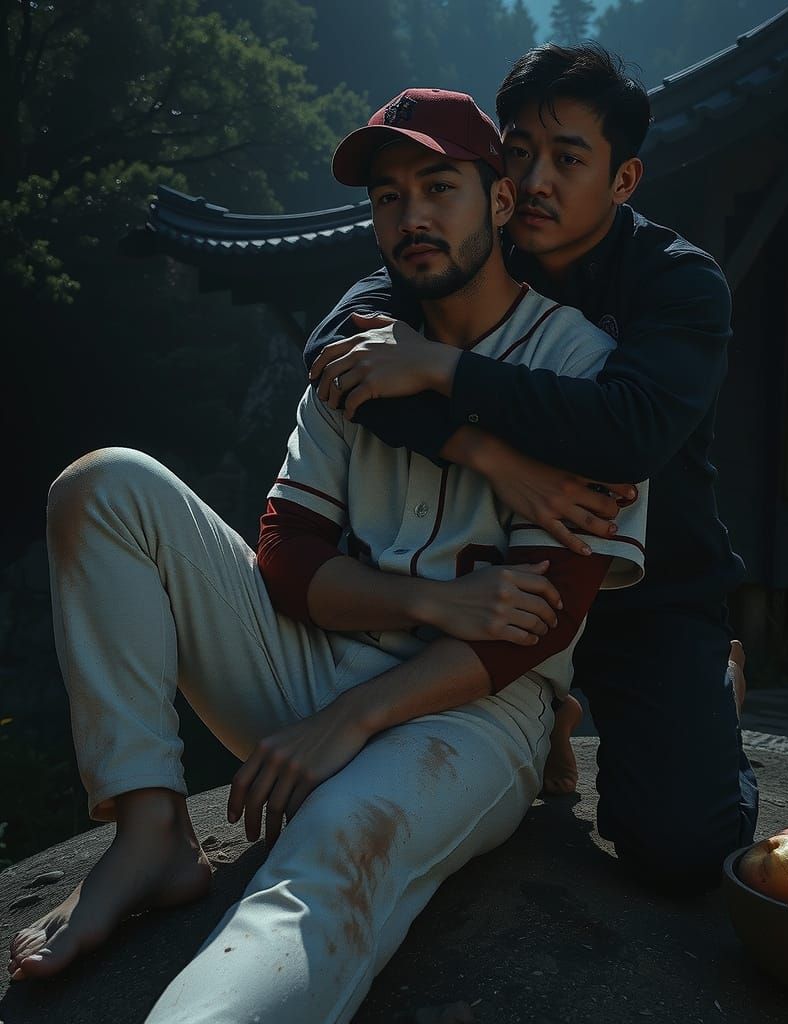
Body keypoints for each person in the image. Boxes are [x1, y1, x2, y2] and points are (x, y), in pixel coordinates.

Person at [8, 89, 648, 1023]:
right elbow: (286, 559)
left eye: (440, 186)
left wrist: (353, 717)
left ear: (501, 201)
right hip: (308, 667)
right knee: (104, 486)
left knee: (333, 849)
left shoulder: (584, 367)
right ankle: (150, 833)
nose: (412, 215)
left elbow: (533, 622)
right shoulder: (358, 354)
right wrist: (428, 601)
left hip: (472, 713)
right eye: (388, 197)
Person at [306, 43, 758, 892]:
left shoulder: (678, 283)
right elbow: (336, 343)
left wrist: (444, 371)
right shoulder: (472, 238)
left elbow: (631, 431)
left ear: (624, 180)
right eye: (520, 151)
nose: (538, 179)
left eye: (570, 158)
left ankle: (717, 690)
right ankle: (554, 708)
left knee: (681, 850)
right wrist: (481, 454)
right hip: (504, 568)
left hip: (641, 586)